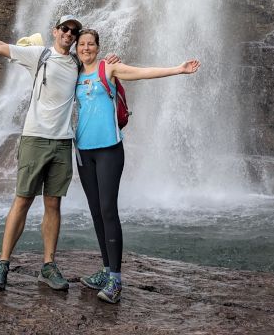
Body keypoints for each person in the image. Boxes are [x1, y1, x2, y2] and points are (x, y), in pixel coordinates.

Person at [0, 13, 86, 293]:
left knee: (53, 204)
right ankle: (2, 264)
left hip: (62, 143)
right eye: (65, 29)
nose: (69, 34)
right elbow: (0, 47)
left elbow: (100, 72)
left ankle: (48, 266)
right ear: (55, 31)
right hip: (34, 138)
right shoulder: (39, 55)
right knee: (22, 200)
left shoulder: (78, 64)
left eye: (74, 31)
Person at [74, 27, 200, 304]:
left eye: (91, 44)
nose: (86, 48)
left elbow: (142, 73)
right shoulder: (74, 74)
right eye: (82, 44)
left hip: (109, 150)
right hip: (83, 151)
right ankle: (105, 270)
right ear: (76, 48)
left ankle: (116, 280)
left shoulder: (108, 69)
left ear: (97, 47)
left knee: (108, 210)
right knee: (95, 212)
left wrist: (178, 69)